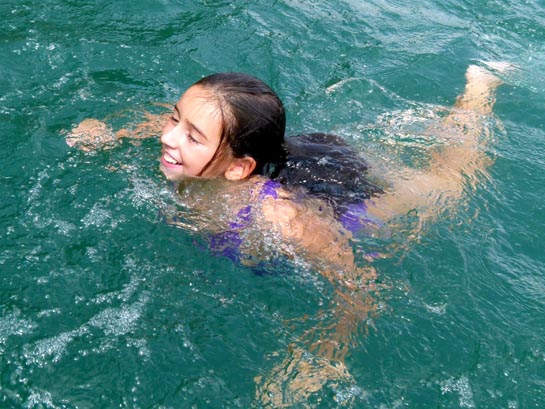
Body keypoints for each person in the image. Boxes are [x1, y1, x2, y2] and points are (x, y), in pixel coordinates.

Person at [66, 62, 511, 405]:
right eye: (174, 119)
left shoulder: (284, 221)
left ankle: (481, 89)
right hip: (283, 159)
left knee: (447, 184)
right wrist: (111, 133)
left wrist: (323, 353)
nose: (169, 138)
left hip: (339, 203)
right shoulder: (189, 148)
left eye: (192, 137)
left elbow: (359, 286)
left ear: (238, 168)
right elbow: (158, 123)